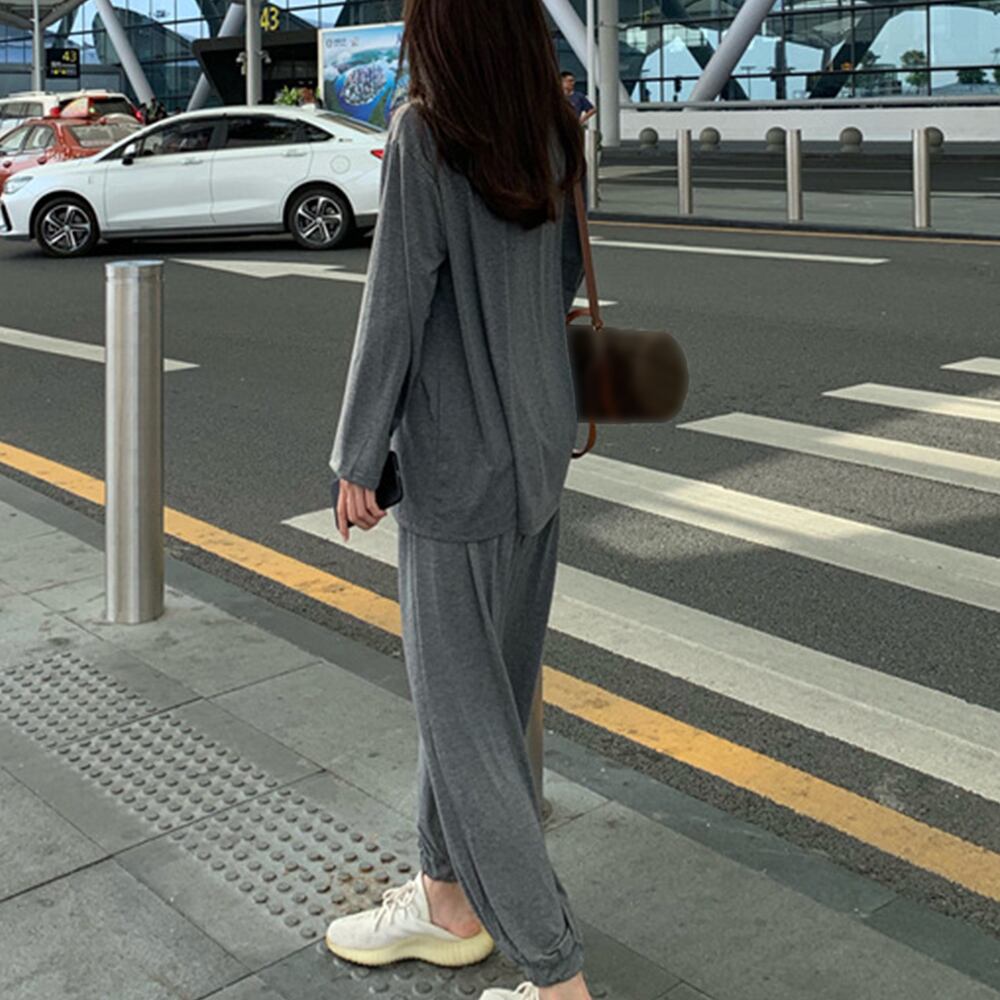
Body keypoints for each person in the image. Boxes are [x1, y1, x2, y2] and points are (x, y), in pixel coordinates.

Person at [324, 0, 592, 998]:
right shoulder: (553, 126)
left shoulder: (426, 133)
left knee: (468, 732)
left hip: (455, 466)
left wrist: (359, 455)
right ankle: (447, 900)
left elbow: (394, 303)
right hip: (537, 450)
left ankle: (557, 979)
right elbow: (562, 278)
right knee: (488, 700)